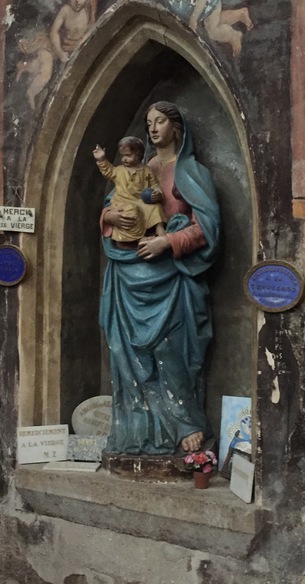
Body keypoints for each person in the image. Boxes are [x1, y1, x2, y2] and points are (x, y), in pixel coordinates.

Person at [99, 101, 220, 455]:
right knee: (127, 351)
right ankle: (136, 430)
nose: (153, 128)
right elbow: (111, 206)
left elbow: (208, 228)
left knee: (170, 350)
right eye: (149, 122)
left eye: (161, 121)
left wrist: (168, 241)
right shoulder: (135, 168)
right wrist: (109, 218)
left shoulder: (192, 172)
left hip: (171, 280)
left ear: (176, 127)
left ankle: (184, 424)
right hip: (127, 275)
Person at [93, 137, 166, 244]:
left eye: (128, 155)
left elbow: (154, 185)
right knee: (131, 213)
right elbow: (108, 171)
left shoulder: (146, 171)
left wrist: (157, 193)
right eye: (122, 156)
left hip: (140, 201)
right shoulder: (119, 170)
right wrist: (101, 159)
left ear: (138, 154)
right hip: (123, 203)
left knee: (155, 207)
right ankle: (136, 238)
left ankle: (160, 229)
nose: (124, 159)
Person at [161, 0, 253, 57]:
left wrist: (194, 18)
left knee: (212, 31)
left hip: (208, 6)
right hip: (191, 5)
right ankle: (240, 14)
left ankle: (234, 36)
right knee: (217, 20)